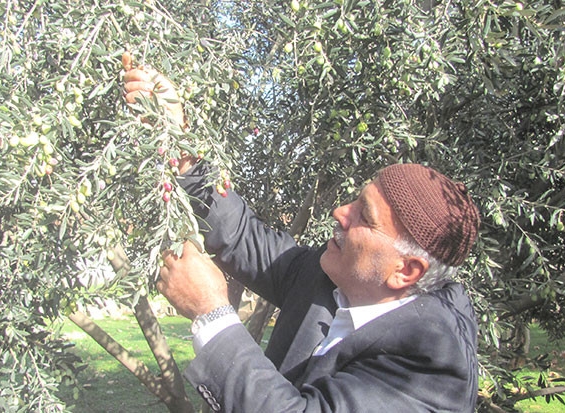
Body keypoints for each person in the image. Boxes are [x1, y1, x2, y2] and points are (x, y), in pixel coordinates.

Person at [123, 56, 481, 412]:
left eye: (365, 216)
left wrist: (211, 312)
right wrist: (180, 141)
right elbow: (243, 236)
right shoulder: (327, 277)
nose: (340, 212)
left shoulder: (430, 366)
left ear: (406, 270)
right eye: (356, 200)